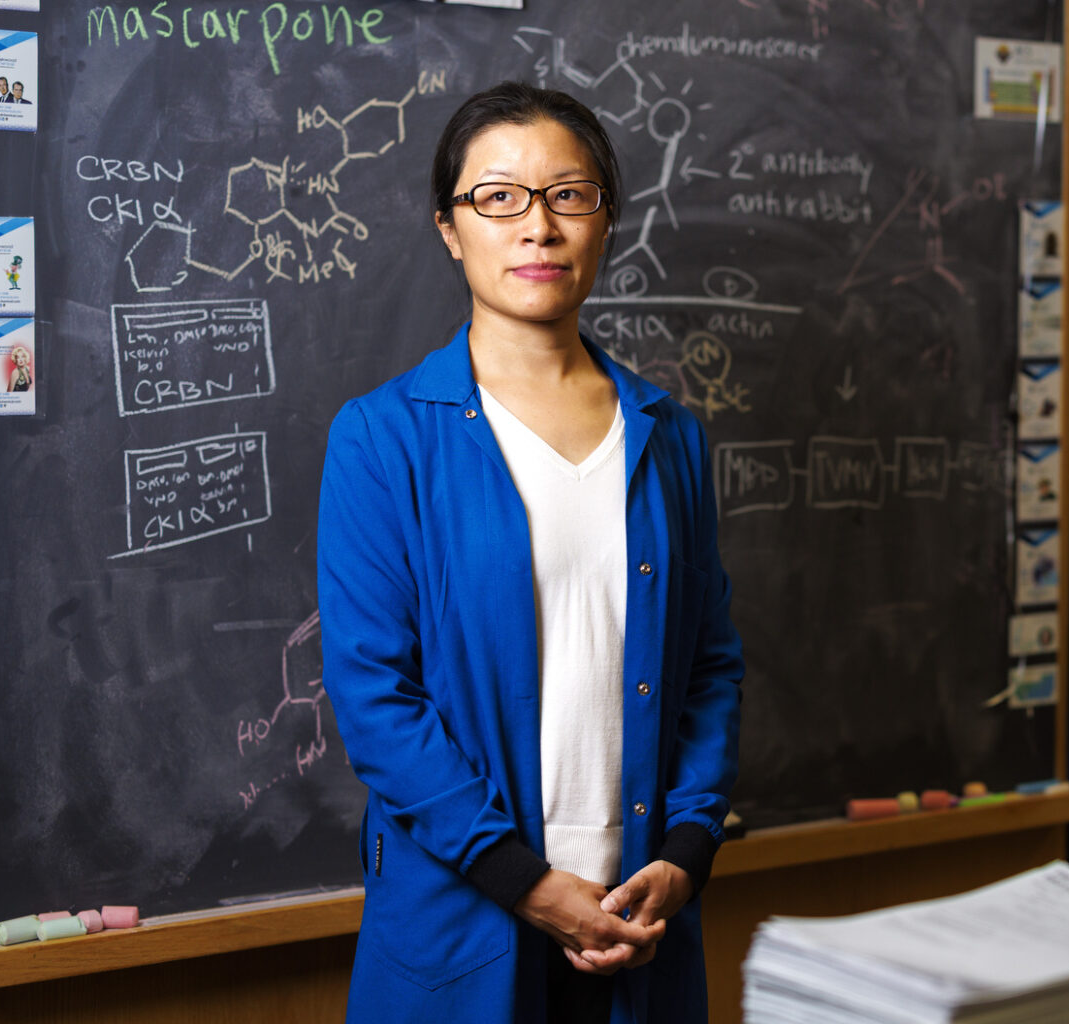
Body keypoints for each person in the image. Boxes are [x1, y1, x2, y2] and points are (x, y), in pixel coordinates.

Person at [318, 81, 744, 1023]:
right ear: (448, 227)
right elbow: (374, 696)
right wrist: (524, 882)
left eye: (570, 194)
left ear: (605, 221)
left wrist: (686, 851)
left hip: (641, 913)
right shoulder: (384, 440)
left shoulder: (667, 435)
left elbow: (710, 666)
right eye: (499, 197)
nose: (538, 227)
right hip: (463, 915)